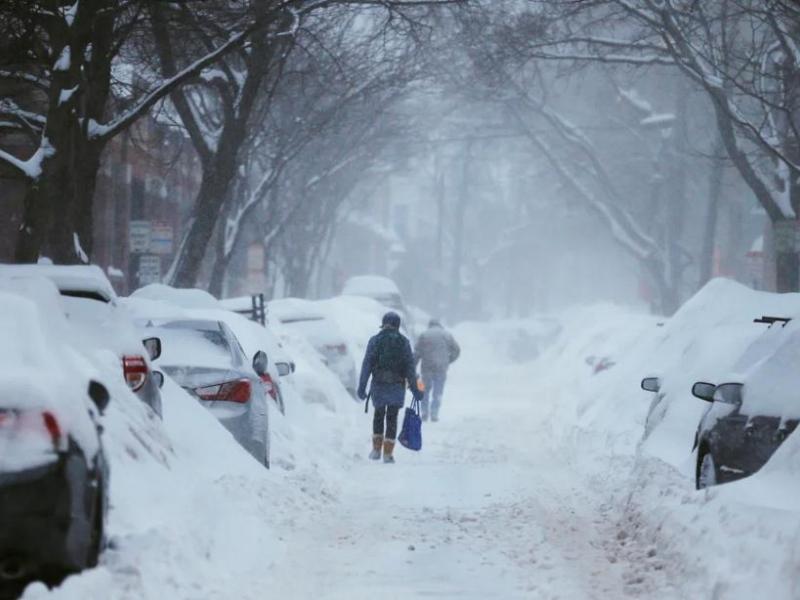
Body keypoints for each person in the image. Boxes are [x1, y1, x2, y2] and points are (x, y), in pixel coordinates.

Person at [358, 311, 422, 463]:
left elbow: (367, 364)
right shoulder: (403, 342)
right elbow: (410, 369)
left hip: (379, 384)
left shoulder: (375, 340)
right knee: (392, 418)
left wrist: (362, 386)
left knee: (378, 416)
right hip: (397, 386)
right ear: (397, 325)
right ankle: (387, 453)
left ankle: (375, 450)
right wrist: (415, 389)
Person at [414, 318, 460, 422]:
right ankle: (434, 413)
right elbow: (456, 350)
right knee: (438, 390)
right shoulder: (446, 335)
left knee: (424, 390)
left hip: (427, 367)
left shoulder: (424, 335)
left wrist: (413, 367)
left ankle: (424, 412)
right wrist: (448, 360)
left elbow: (417, 352)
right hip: (441, 368)